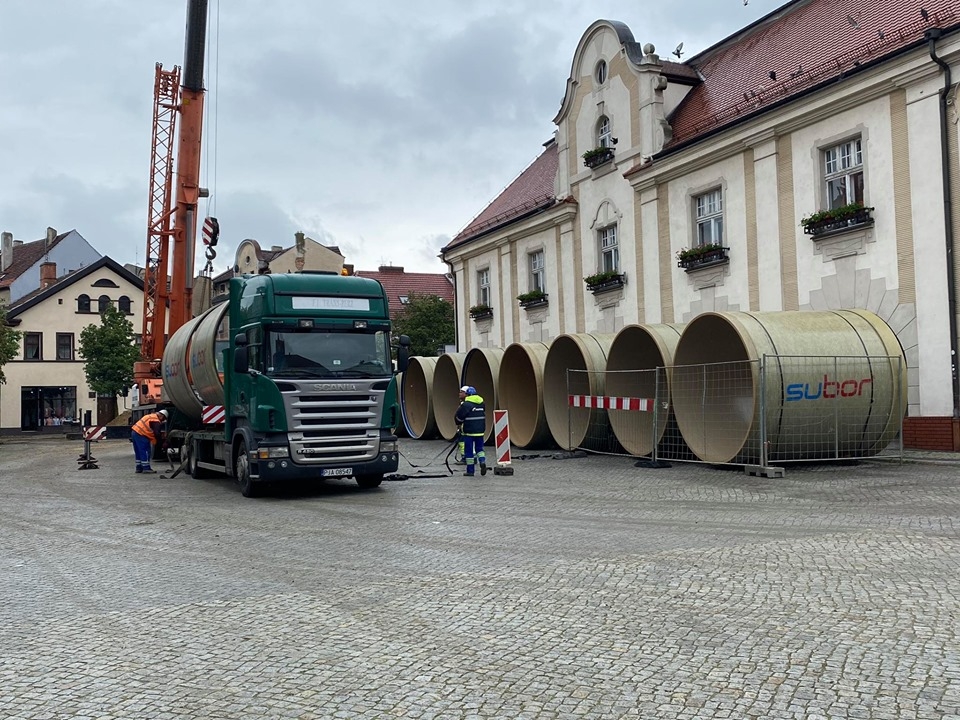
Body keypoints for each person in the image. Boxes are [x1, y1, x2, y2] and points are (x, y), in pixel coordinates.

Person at [454, 385, 487, 477]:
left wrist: (458, 424)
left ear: (467, 394)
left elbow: (459, 417)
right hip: (480, 430)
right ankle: (482, 461)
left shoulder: (466, 404)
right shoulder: (482, 403)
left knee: (469, 452)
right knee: (479, 449)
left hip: (469, 431)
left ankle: (470, 471)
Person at [131, 408, 168, 474]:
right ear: (162, 416)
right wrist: (161, 443)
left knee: (138, 451)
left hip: (135, 432)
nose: (162, 421)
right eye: (163, 419)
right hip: (141, 434)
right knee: (145, 451)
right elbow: (156, 433)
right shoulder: (156, 420)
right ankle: (146, 468)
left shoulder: (150, 416)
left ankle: (139, 467)